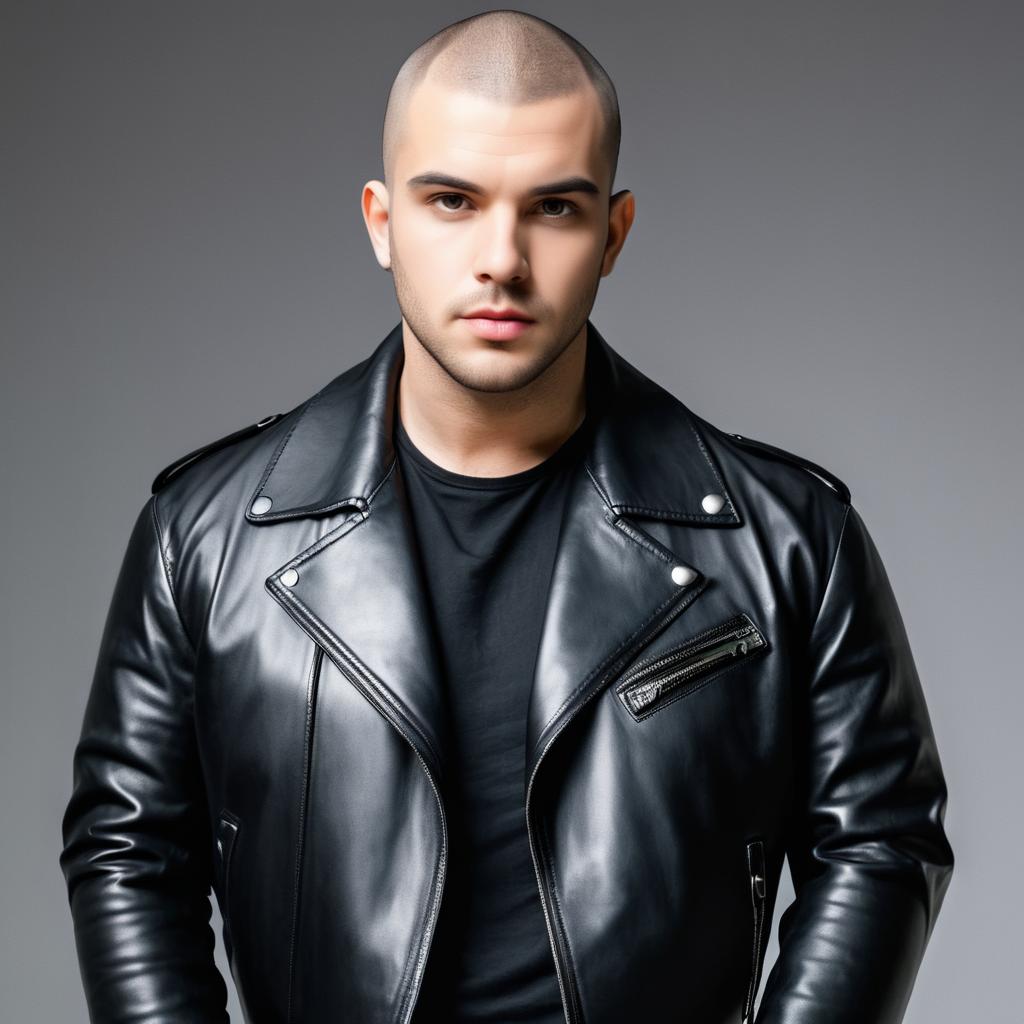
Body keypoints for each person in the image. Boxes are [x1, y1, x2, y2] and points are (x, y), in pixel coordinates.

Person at [59, 10, 954, 1023]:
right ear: (381, 220)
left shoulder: (789, 541)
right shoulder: (206, 535)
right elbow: (128, 848)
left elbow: (879, 838)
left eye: (554, 209)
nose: (502, 259)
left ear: (612, 234)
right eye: (452, 200)